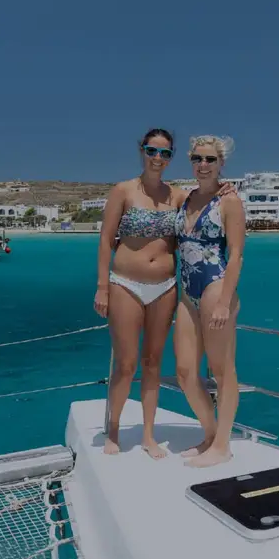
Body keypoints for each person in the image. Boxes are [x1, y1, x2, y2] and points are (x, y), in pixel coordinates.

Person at [93, 128, 185, 458]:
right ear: (141, 151)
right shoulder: (123, 191)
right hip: (125, 284)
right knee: (126, 363)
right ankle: (114, 431)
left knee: (152, 362)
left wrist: (226, 188)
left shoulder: (177, 196)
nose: (158, 158)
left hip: (165, 287)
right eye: (152, 151)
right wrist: (102, 286)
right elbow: (106, 240)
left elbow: (208, 206)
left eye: (165, 153)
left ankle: (148, 435)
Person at [173, 135, 246, 468]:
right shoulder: (185, 198)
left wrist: (223, 302)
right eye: (198, 159)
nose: (203, 165)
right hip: (186, 291)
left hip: (216, 287)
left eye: (210, 160)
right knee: (185, 371)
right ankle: (209, 434)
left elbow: (236, 256)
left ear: (221, 163)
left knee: (222, 370)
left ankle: (223, 445)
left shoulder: (229, 201)